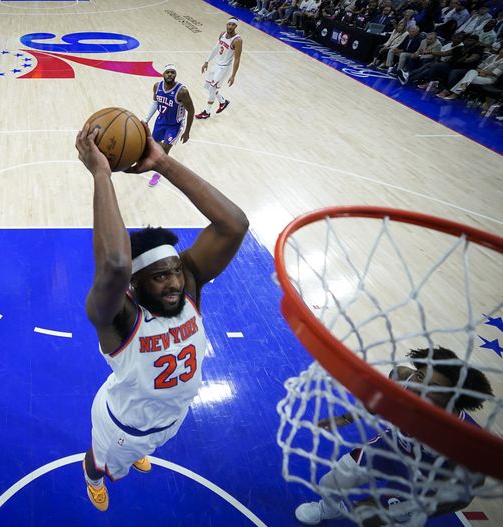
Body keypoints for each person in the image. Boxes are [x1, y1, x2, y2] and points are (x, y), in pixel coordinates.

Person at [74, 121, 249, 511]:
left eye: (175, 269)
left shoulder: (187, 289)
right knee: (102, 461)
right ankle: (92, 478)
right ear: (134, 286)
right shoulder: (117, 320)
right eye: (159, 276)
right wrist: (102, 173)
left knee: (149, 442)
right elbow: (117, 263)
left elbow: (234, 225)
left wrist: (163, 164)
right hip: (122, 427)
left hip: (171, 419)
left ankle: (137, 452)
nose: (174, 282)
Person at [294, 346, 493, 525]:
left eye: (435, 389)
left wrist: (409, 509)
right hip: (390, 448)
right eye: (420, 377)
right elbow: (381, 398)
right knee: (330, 483)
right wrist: (346, 419)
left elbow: (462, 498)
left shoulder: (463, 438)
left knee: (370, 518)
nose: (418, 387)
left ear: (453, 400)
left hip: (421, 479)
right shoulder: (402, 376)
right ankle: (329, 509)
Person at [143, 64, 195, 188]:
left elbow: (191, 111)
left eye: (172, 72)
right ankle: (152, 158)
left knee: (165, 149)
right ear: (163, 74)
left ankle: (157, 174)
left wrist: (187, 131)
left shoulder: (182, 91)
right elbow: (155, 103)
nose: (170, 74)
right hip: (161, 120)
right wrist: (146, 120)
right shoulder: (157, 86)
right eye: (167, 72)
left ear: (175, 75)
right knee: (154, 144)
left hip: (175, 125)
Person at [196, 17, 243, 119]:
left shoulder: (237, 40)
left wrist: (233, 75)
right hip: (217, 64)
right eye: (229, 24)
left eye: (232, 24)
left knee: (212, 89)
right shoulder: (222, 34)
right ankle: (223, 101)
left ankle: (207, 112)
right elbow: (216, 48)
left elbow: (237, 59)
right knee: (208, 87)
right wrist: (206, 61)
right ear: (226, 24)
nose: (230, 26)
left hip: (224, 68)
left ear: (236, 26)